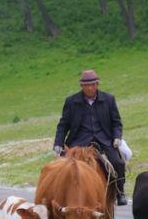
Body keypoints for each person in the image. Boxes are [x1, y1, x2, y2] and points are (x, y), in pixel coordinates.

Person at [53, 69, 128, 205]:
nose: (90, 87)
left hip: (103, 139)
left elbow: (116, 122)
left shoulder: (109, 99)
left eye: (93, 84)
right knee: (60, 166)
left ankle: (120, 192)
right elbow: (63, 125)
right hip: (79, 141)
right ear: (81, 86)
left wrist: (117, 137)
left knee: (118, 163)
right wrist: (58, 144)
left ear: (97, 84)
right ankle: (58, 195)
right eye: (87, 85)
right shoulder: (71, 102)